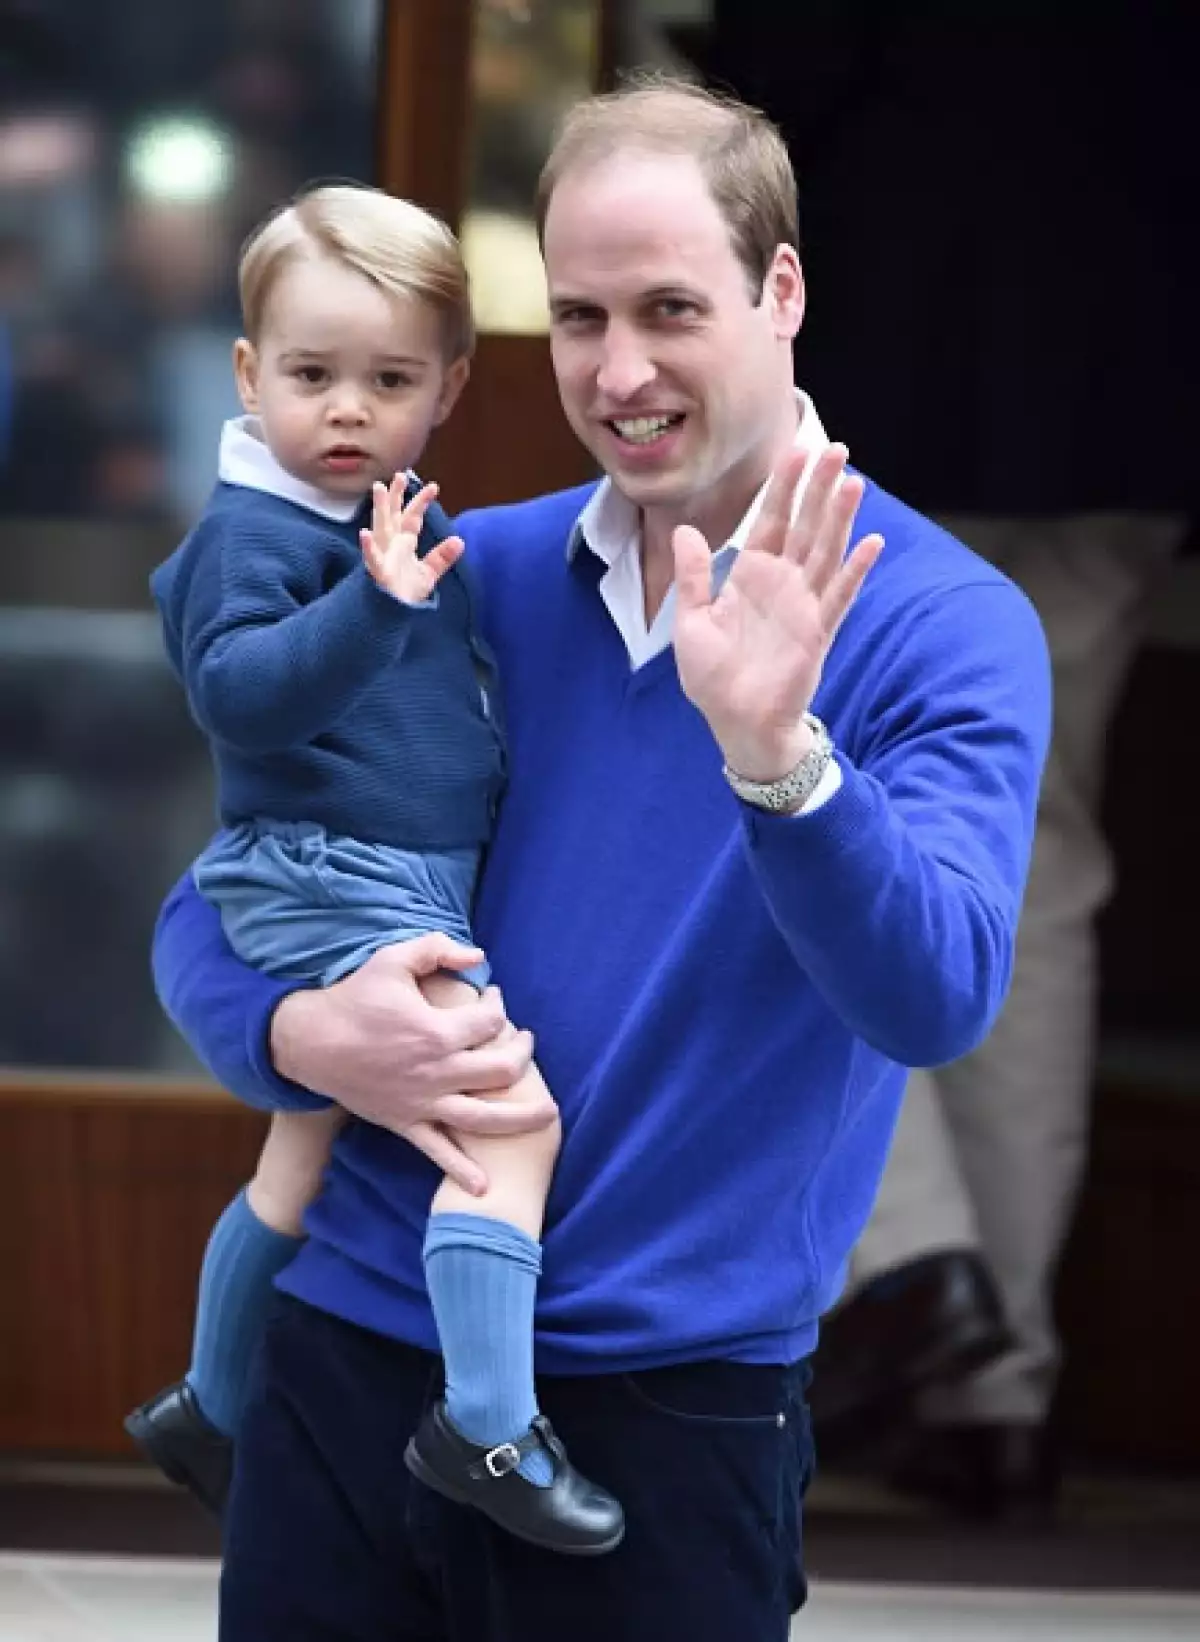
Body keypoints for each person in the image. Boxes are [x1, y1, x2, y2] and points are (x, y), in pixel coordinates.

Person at [150, 78, 1050, 1641]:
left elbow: (937, 998)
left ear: (782, 290)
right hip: (346, 1365)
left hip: (670, 1410)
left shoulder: (944, 622)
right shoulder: (462, 567)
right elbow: (212, 902)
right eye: (579, 316)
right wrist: (301, 1033)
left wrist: (780, 758)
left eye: (669, 309)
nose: (618, 371)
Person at [696, 2, 1200, 1516]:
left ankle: (913, 1272)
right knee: (1032, 870)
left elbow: (782, 80)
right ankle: (996, 1385)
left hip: (902, 355)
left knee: (777, 788)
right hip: (1125, 383)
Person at [126, 181, 622, 1555]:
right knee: (507, 1125)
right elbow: (240, 698)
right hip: (338, 875)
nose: (347, 409)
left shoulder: (382, 522)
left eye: (390, 380)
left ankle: (209, 1406)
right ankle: (488, 1427)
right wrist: (374, 603)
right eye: (311, 376)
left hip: (383, 874)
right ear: (249, 375)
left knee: (302, 1152)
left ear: (449, 387)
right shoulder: (258, 534)